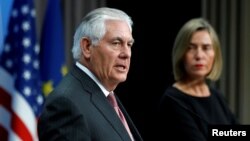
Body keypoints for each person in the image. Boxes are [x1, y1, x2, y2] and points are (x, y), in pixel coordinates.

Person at [38, 7, 143, 141]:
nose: (127, 54)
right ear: (87, 47)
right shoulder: (66, 104)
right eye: (116, 43)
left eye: (129, 44)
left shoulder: (106, 95)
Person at [157, 18, 238, 141]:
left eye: (206, 48)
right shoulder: (173, 100)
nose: (199, 55)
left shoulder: (217, 97)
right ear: (181, 53)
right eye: (191, 48)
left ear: (215, 54)